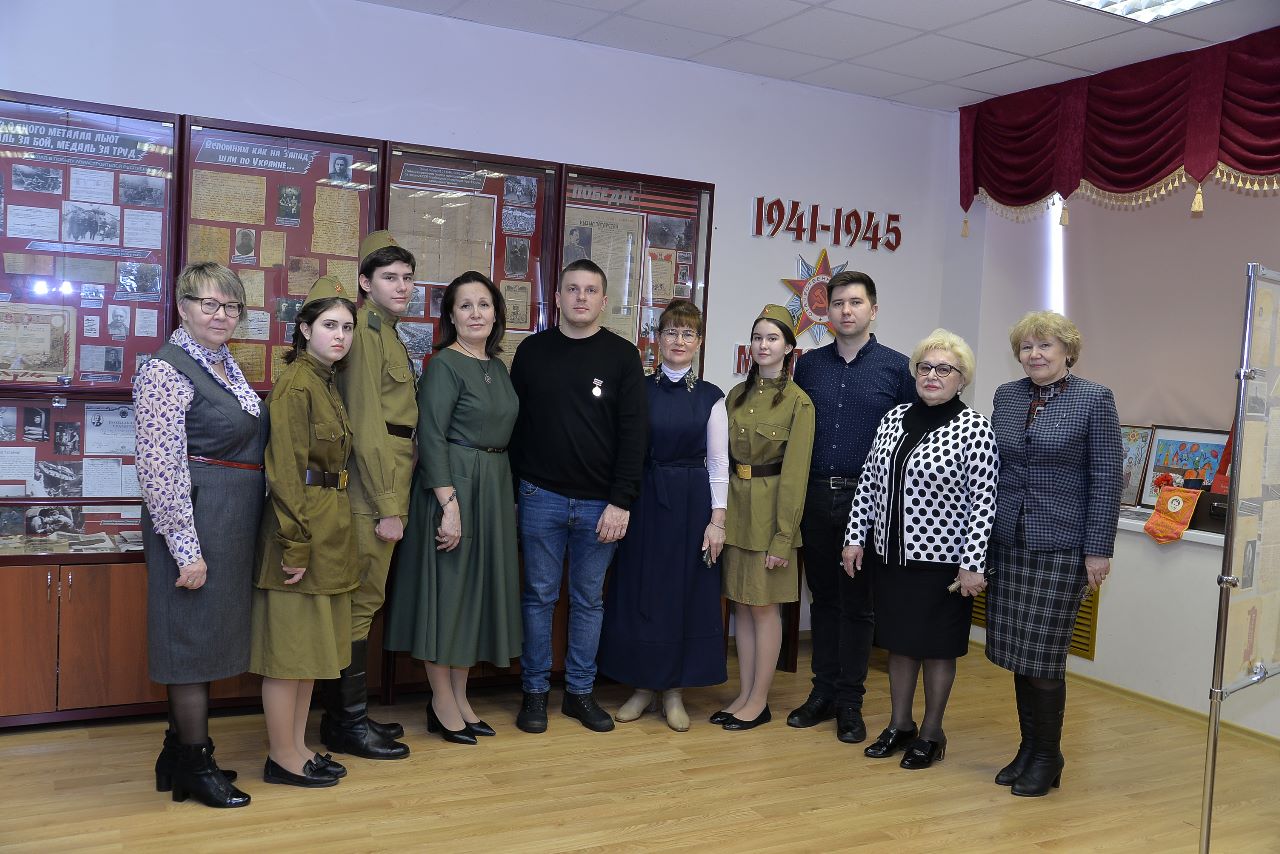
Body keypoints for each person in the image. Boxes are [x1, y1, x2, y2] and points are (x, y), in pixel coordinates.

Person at [135, 262, 265, 808]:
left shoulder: (221, 363)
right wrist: (187, 551)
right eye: (209, 304)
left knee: (204, 637)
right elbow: (160, 470)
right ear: (183, 307)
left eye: (231, 306)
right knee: (188, 640)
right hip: (193, 525)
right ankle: (195, 762)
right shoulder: (164, 371)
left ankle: (175, 754)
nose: (221, 315)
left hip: (227, 523)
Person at [842, 329, 998, 770]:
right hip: (891, 557)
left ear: (962, 378)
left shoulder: (975, 428)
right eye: (925, 367)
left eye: (944, 369)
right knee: (900, 644)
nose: (932, 376)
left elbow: (983, 502)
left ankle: (931, 733)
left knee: (937, 649)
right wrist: (855, 537)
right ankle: (899, 725)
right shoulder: (894, 418)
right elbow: (869, 482)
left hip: (943, 564)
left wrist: (973, 564)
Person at [986, 310, 1122, 797]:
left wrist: (1097, 550)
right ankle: (1029, 748)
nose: (1034, 354)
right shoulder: (1007, 396)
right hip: (1009, 542)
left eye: (1045, 345)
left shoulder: (1094, 399)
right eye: (1026, 347)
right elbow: (994, 468)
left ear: (1068, 351)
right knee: (1019, 655)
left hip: (1062, 545)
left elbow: (1107, 478)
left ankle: (1048, 756)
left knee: (1044, 658)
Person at [509, 258, 647, 733]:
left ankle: (580, 694)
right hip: (539, 494)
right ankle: (534, 693)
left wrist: (622, 501)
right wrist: (513, 492)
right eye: (572, 289)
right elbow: (515, 426)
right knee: (538, 597)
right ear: (558, 297)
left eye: (590, 290)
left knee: (589, 601)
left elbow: (634, 435)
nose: (581, 297)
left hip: (600, 504)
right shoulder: (532, 351)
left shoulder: (622, 356)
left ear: (604, 301)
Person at [384, 271, 521, 745]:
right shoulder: (443, 365)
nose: (476, 313)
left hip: (493, 488)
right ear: (451, 316)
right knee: (447, 597)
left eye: (484, 304)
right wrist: (449, 505)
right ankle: (442, 701)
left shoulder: (498, 367)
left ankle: (461, 699)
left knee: (472, 599)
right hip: (454, 488)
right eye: (465, 305)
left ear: (496, 313)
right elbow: (431, 436)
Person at [790, 271, 915, 744]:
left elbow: (910, 439)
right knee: (823, 600)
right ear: (826, 311)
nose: (846, 310)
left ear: (873, 310)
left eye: (856, 302)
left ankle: (850, 703)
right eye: (838, 302)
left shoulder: (897, 369)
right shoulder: (809, 367)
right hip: (815, 495)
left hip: (867, 503)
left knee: (858, 607)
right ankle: (821, 692)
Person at [598, 299, 727, 732]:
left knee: (681, 593)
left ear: (699, 341)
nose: (679, 340)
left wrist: (718, 521)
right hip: (643, 498)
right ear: (657, 339)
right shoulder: (638, 388)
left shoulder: (711, 397)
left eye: (688, 333)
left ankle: (673, 691)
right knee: (642, 590)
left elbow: (718, 463)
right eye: (671, 332)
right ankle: (642, 685)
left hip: (691, 503)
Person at [250, 275, 358, 788]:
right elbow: (286, 472)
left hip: (328, 525)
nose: (340, 335)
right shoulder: (297, 384)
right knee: (289, 655)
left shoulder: (325, 379)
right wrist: (294, 544)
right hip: (299, 529)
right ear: (305, 329)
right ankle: (281, 756)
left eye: (347, 327)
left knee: (310, 652)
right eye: (330, 325)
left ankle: (298, 747)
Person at [319, 231, 416, 760]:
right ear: (365, 282)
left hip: (390, 477)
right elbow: (367, 426)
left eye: (407, 278)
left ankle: (348, 716)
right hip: (372, 488)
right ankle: (346, 723)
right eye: (389, 278)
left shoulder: (387, 333)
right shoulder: (367, 333)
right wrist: (387, 506)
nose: (402, 286)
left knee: (364, 603)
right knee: (359, 606)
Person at [714, 304, 814, 731]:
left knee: (764, 608)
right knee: (741, 605)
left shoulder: (798, 402)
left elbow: (794, 477)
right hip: (736, 510)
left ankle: (759, 700)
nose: (763, 345)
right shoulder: (735, 396)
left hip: (771, 516)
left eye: (772, 338)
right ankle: (744, 694)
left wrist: (783, 537)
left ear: (789, 348)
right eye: (757, 338)